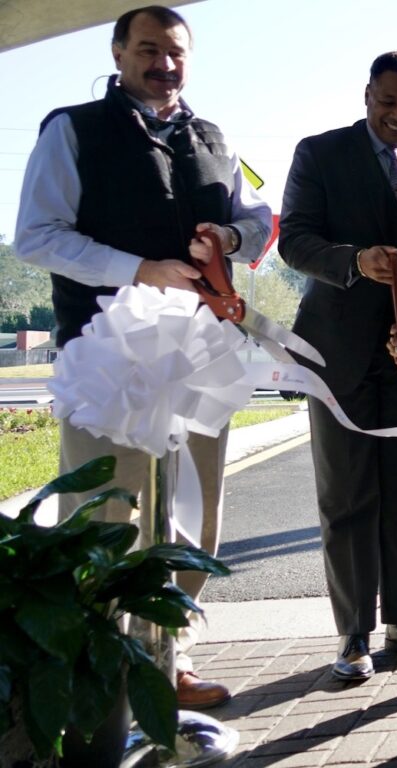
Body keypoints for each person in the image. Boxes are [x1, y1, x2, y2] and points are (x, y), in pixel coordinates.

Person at [13, 5, 271, 708]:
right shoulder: (72, 130)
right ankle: (105, 678)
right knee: (106, 520)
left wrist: (233, 236)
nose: (165, 64)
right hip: (108, 363)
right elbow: (37, 235)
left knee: (193, 521)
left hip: (200, 360)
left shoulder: (213, 136)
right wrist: (138, 269)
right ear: (119, 53)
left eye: (177, 53)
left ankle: (168, 661)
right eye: (149, 50)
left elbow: (260, 218)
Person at [279, 51, 397, 681]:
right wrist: (354, 261)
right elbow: (294, 238)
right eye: (389, 102)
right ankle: (354, 634)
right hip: (335, 355)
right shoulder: (319, 154)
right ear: (366, 96)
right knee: (348, 496)